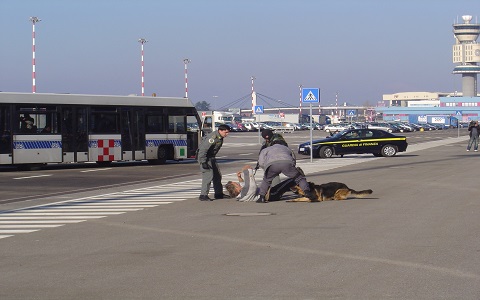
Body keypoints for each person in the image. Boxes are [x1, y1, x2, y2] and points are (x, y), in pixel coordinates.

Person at [225, 165, 300, 202]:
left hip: (268, 194)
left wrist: (240, 178)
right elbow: (251, 187)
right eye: (237, 185)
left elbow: (244, 186)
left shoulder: (241, 195)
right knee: (286, 184)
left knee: (286, 187)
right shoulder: (244, 193)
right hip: (269, 195)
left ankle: (298, 187)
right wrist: (247, 170)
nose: (239, 184)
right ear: (236, 190)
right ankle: (298, 177)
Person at [197, 124, 231, 201]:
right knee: (208, 176)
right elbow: (203, 150)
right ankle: (203, 195)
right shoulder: (212, 138)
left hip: (211, 157)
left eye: (227, 132)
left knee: (217, 175)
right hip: (205, 158)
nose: (227, 134)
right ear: (220, 131)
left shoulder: (220, 137)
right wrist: (203, 162)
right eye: (226, 132)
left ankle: (218, 193)